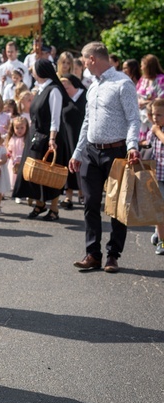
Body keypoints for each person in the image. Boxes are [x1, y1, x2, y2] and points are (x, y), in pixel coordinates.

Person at [69, 42, 141, 273]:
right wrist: (78, 152)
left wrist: (132, 146)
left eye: (82, 59)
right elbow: (87, 122)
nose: (81, 63)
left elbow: (133, 118)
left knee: (117, 207)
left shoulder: (123, 83)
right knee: (90, 203)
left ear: (92, 59)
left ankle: (113, 255)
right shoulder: (92, 86)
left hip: (117, 152)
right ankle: (93, 254)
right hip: (91, 151)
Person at [13, 59, 70, 221]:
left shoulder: (54, 90)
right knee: (36, 171)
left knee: (51, 172)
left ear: (41, 72)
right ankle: (40, 203)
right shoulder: (40, 89)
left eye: (34, 70)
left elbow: (55, 118)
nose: (32, 72)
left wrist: (52, 138)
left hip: (50, 136)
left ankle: (54, 208)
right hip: (36, 135)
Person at [59, 74, 87, 209]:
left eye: (67, 86)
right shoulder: (63, 99)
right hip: (67, 138)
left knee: (82, 164)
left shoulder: (84, 96)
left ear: (74, 84)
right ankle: (68, 196)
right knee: (68, 165)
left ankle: (83, 194)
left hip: (82, 137)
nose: (65, 89)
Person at [147, 98, 164, 255]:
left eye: (159, 115)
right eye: (153, 114)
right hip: (157, 174)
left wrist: (157, 131)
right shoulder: (152, 130)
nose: (155, 118)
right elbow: (148, 145)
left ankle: (160, 237)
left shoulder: (157, 130)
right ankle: (160, 238)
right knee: (159, 209)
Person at [136, 54, 164, 144]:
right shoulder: (143, 79)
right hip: (141, 118)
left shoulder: (161, 79)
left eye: (142, 65)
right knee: (142, 144)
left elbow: (161, 99)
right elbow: (136, 93)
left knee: (152, 144)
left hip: (154, 117)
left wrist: (145, 102)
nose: (141, 68)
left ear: (149, 67)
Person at [6, 116, 29, 190]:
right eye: (17, 128)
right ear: (13, 128)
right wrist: (9, 153)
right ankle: (16, 191)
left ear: (26, 127)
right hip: (14, 161)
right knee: (14, 176)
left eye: (22, 128)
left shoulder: (27, 139)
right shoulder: (13, 138)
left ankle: (23, 190)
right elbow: (9, 149)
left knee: (23, 176)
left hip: (24, 161)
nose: (19, 130)